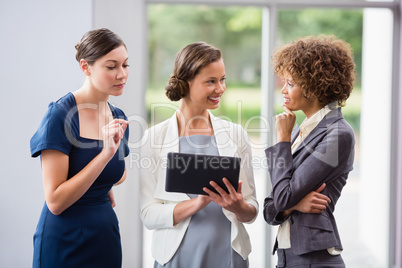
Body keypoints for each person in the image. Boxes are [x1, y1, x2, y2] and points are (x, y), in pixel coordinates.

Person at [139, 42, 258, 268]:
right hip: (176, 258)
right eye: (211, 81)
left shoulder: (236, 135)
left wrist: (237, 206)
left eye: (222, 79)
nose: (220, 89)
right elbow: (149, 214)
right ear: (186, 84)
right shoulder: (154, 138)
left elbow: (251, 210)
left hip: (229, 257)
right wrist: (198, 203)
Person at [30, 28, 130, 268]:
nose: (122, 74)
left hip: (105, 236)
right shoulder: (60, 115)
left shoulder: (118, 116)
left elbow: (120, 174)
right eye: (111, 66)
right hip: (65, 238)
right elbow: (55, 201)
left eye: (125, 65)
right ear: (86, 67)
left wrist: (98, 180)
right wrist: (104, 156)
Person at [263, 35, 356, 267]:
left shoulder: (338, 134)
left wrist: (282, 140)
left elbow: (282, 197)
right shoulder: (302, 130)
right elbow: (269, 209)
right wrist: (294, 204)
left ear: (315, 86)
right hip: (287, 258)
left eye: (290, 83)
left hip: (315, 260)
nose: (283, 90)